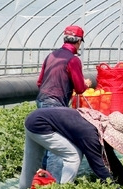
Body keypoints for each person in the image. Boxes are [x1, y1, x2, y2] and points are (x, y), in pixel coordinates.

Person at [18, 107, 123, 189]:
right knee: (74, 155)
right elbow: (97, 166)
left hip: (33, 119)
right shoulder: (90, 135)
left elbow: (112, 159)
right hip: (40, 124)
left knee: (31, 163)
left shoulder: (98, 124)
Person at [35, 25, 92, 180]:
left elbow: (40, 82)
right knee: (56, 145)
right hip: (55, 103)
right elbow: (79, 88)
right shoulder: (73, 60)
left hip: (41, 100)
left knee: (47, 141)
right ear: (79, 42)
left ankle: (41, 178)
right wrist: (86, 83)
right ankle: (52, 185)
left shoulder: (51, 56)